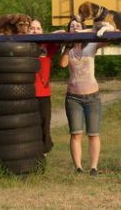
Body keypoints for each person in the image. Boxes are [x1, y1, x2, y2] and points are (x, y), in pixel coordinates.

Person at [59, 18, 106, 176]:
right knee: (76, 133)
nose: (75, 28)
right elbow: (63, 64)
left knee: (93, 133)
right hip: (73, 98)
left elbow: (108, 40)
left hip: (93, 96)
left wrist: (93, 31)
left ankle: (94, 167)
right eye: (72, 26)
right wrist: (68, 46)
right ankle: (78, 167)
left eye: (78, 26)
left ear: (83, 29)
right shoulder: (67, 49)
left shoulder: (91, 45)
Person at [29, 19, 62, 155]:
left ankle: (45, 150)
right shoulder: (21, 44)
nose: (35, 30)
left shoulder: (47, 45)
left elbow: (61, 34)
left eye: (38, 28)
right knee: (30, 123)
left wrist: (50, 34)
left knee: (44, 122)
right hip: (26, 92)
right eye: (32, 28)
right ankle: (30, 148)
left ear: (42, 30)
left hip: (43, 91)